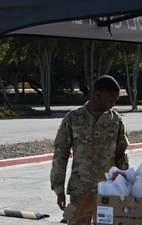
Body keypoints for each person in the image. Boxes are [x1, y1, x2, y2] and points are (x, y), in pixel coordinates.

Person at [50, 75, 129, 225]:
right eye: (111, 100)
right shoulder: (73, 119)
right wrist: (58, 189)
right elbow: (60, 154)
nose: (113, 105)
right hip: (79, 191)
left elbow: (122, 155)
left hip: (109, 190)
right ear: (98, 94)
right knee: (75, 222)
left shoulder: (116, 121)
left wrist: (125, 188)